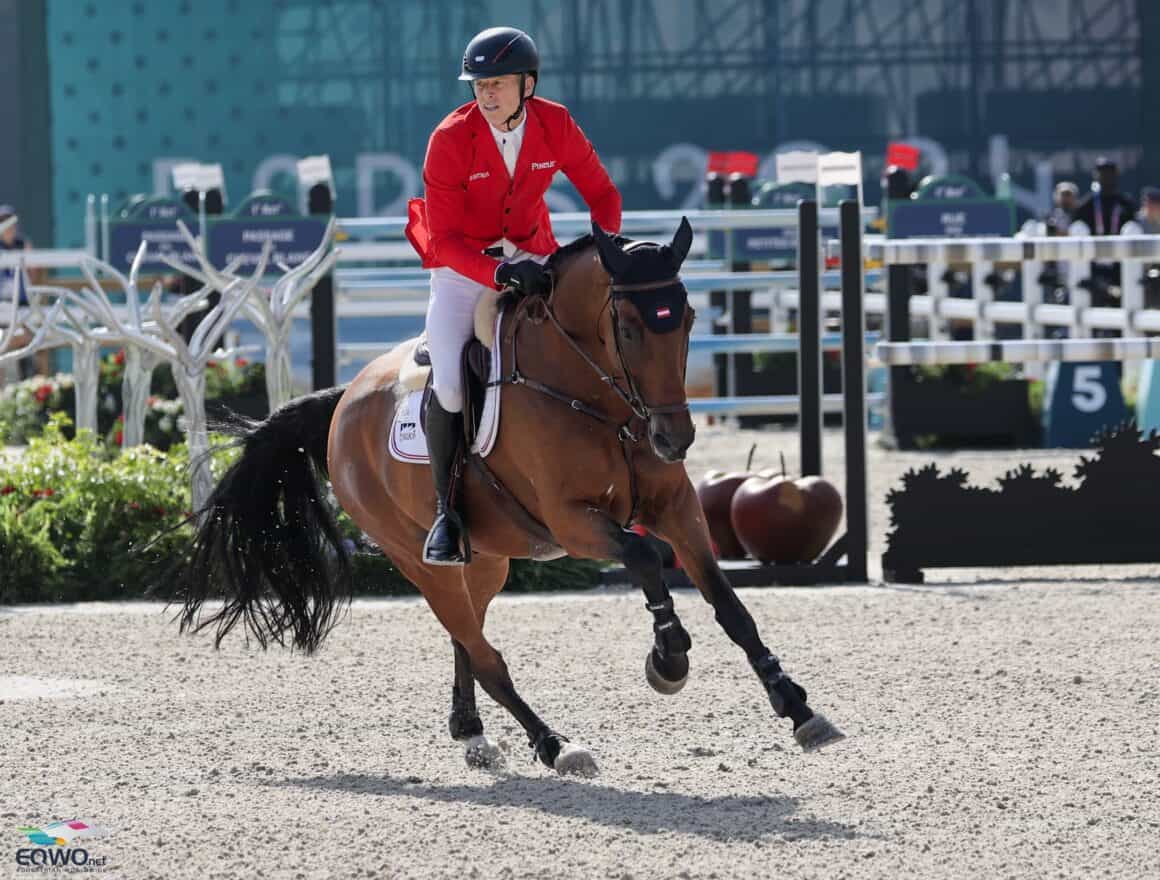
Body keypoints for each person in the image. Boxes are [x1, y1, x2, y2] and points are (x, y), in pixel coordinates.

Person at [405, 26, 622, 565]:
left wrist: (606, 255)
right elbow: (447, 239)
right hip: (462, 269)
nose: (485, 93)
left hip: (533, 254)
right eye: (479, 84)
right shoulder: (450, 139)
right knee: (452, 381)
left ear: (528, 84)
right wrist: (496, 274)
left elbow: (602, 194)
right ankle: (446, 512)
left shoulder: (556, 123)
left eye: (497, 83)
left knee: (592, 340)